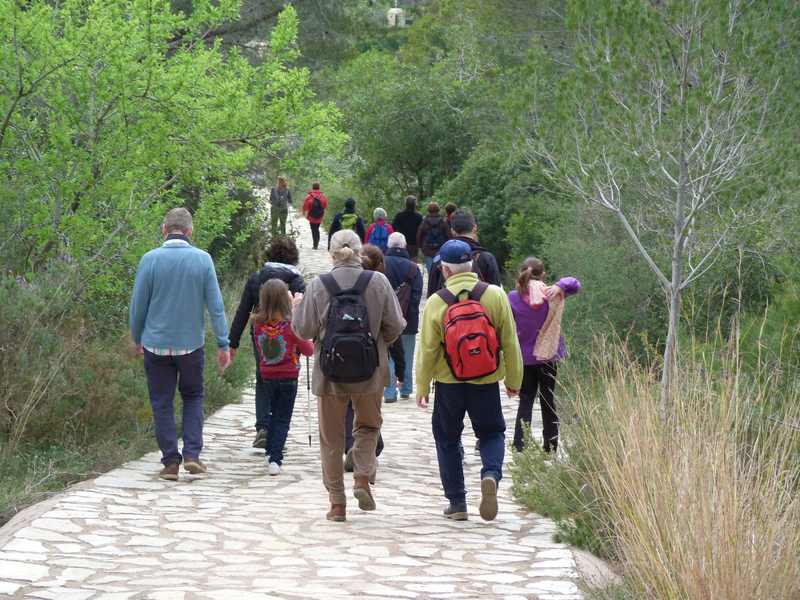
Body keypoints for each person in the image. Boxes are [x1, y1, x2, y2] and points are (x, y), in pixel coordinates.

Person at [292, 230, 406, 522]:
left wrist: (296, 309)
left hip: (329, 374)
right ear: (359, 253)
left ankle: (337, 504)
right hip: (370, 373)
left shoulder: (319, 284)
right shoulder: (378, 282)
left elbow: (303, 331)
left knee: (331, 439)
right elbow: (395, 326)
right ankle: (362, 477)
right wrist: (377, 345)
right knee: (368, 426)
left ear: (331, 254)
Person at [416, 239, 523, 522]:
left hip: (449, 384)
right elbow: (510, 342)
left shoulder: (437, 301)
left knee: (447, 438)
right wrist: (514, 379)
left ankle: (457, 502)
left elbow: (427, 349)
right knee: (491, 432)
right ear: (472, 265)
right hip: (486, 380)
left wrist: (422, 386)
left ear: (446, 270)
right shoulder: (495, 295)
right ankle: (490, 474)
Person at [129, 207, 231, 481]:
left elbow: (138, 305)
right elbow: (216, 307)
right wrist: (223, 343)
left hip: (156, 345)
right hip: (190, 346)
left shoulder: (149, 260)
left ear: (164, 230)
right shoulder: (203, 260)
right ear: (190, 231)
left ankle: (170, 462)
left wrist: (137, 338)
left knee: (161, 401)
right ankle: (192, 455)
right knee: (193, 396)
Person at [229, 237, 306, 449]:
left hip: (261, 336)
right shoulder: (296, 280)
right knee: (286, 378)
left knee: (263, 376)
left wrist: (232, 342)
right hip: (289, 338)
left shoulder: (256, 278)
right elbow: (305, 313)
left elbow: (243, 311)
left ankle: (263, 426)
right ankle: (277, 428)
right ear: (293, 257)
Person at [508, 258, 581, 453]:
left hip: (524, 357)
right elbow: (575, 284)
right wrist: (559, 285)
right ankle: (551, 444)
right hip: (549, 356)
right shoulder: (553, 295)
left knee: (526, 400)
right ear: (543, 275)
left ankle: (520, 445)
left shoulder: (513, 297)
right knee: (548, 398)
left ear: (521, 274)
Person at [251, 279, 314, 475]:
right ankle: (275, 458)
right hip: (288, 376)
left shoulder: (257, 323)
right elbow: (309, 350)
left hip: (267, 375)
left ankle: (270, 451)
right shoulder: (291, 325)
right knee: (282, 418)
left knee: (270, 414)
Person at [383, 232, 423, 402]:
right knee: (407, 354)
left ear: (388, 246)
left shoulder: (381, 265)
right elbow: (417, 296)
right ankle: (406, 388)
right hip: (409, 319)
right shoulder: (414, 268)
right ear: (404, 246)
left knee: (389, 356)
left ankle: (390, 392)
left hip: (386, 320)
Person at [427, 209, 502, 298]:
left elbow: (432, 294)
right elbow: (497, 294)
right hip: (481, 310)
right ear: (475, 228)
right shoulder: (487, 258)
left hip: (447, 309)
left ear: (452, 231)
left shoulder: (441, 257)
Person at [416, 202, 451, 274]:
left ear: (428, 210)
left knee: (430, 271)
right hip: (440, 249)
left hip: (427, 249)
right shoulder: (443, 222)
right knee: (441, 271)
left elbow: (419, 235)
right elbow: (449, 235)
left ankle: (431, 283)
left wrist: (420, 246)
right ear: (438, 210)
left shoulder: (424, 222)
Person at [391, 195, 423, 260]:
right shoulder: (419, 216)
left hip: (401, 243)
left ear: (406, 204)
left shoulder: (399, 215)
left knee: (401, 261)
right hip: (414, 244)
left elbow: (393, 228)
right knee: (412, 262)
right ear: (414, 205)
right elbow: (422, 231)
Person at [302, 182, 328, 250]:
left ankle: (315, 244)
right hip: (320, 216)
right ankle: (316, 243)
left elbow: (305, 205)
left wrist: (303, 212)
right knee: (316, 228)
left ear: (312, 187)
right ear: (319, 187)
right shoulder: (323, 196)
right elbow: (325, 206)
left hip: (311, 216)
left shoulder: (309, 196)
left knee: (313, 229)